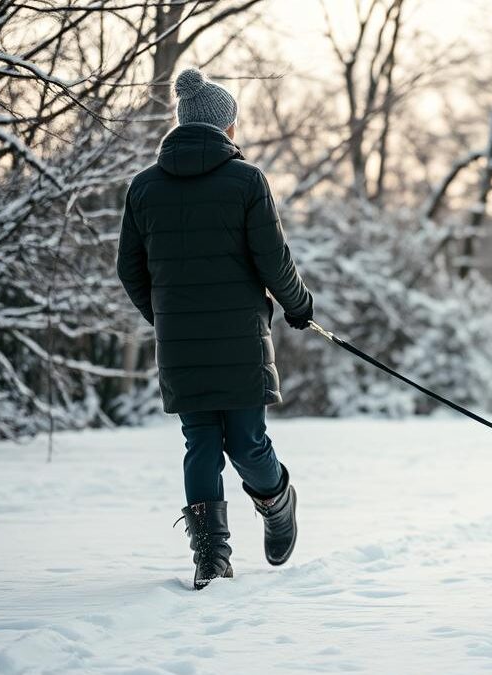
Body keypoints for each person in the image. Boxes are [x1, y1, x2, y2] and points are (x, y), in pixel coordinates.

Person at [116, 67, 314, 589]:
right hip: (236, 337)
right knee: (235, 442)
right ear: (227, 127)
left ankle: (273, 507)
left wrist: (162, 318)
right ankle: (215, 554)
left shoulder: (144, 186)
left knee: (210, 441)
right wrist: (300, 305)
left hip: (184, 340)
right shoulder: (243, 179)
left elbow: (129, 272)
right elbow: (274, 259)